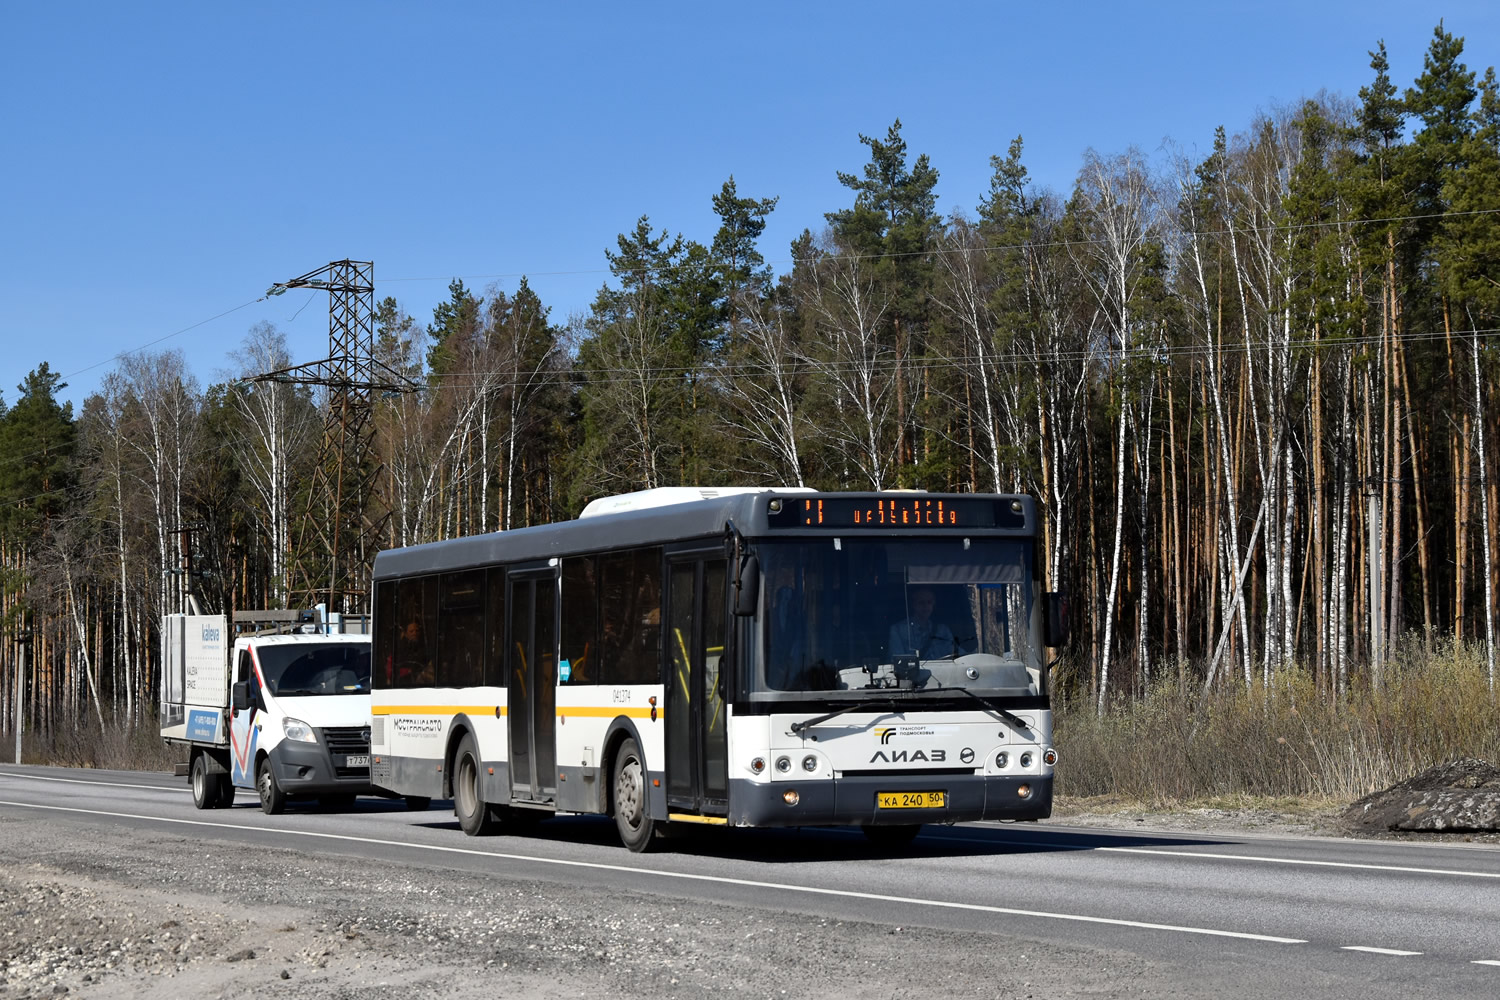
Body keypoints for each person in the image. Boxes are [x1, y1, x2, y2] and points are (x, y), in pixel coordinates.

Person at [888, 587, 956, 659]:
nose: (926, 606)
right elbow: (897, 660)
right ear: (913, 604)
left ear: (933, 604)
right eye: (921, 602)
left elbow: (957, 653)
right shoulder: (898, 630)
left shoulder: (943, 630)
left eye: (929, 602)